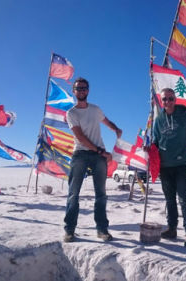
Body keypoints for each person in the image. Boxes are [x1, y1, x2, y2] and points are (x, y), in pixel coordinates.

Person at [63, 77, 122, 243]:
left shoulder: (95, 109)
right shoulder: (71, 113)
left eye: (84, 88)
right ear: (74, 91)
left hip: (98, 156)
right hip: (81, 153)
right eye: (78, 88)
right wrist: (101, 151)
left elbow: (106, 121)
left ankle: (102, 229)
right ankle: (69, 230)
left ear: (88, 90)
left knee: (101, 194)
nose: (81, 90)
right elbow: (80, 137)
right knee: (73, 193)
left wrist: (116, 129)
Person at [153, 88, 186, 247]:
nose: (167, 102)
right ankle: (172, 228)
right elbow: (156, 141)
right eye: (164, 99)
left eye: (170, 98)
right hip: (164, 166)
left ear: (175, 99)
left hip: (181, 164)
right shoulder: (158, 120)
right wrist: (150, 150)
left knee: (183, 198)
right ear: (161, 101)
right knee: (169, 200)